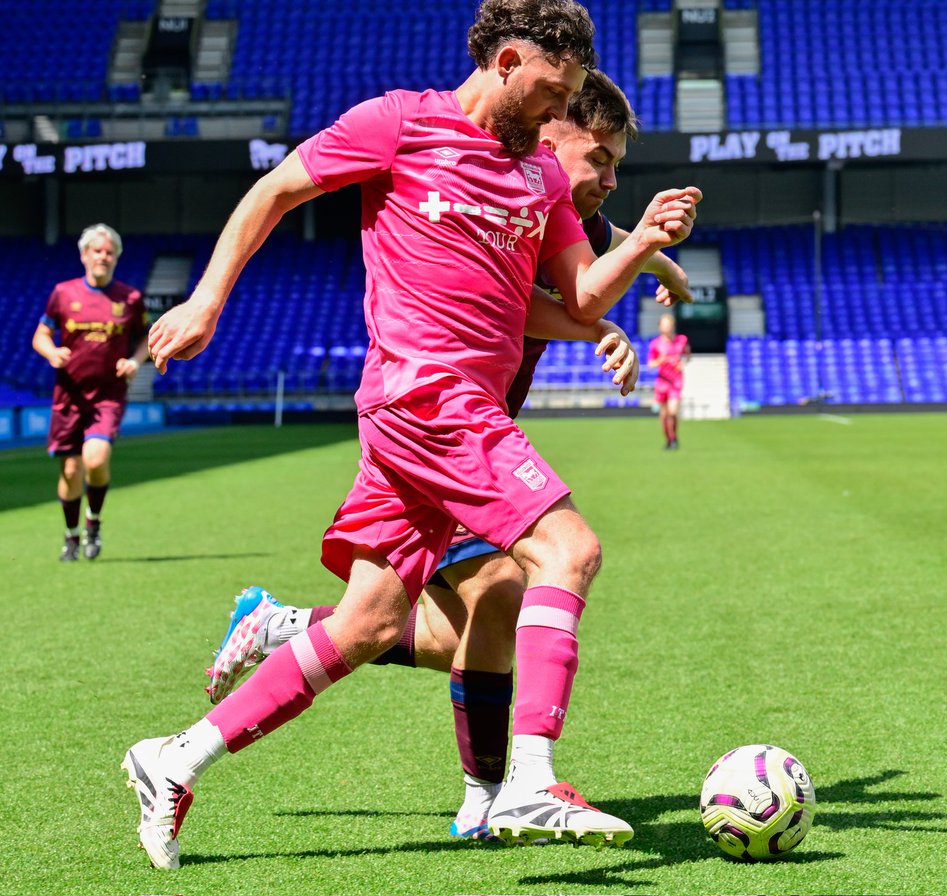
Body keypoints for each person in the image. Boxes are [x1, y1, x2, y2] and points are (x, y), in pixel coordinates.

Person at [123, 0, 700, 869]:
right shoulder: (398, 125)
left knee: (367, 624)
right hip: (427, 395)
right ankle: (527, 781)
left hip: (444, 415)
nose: (559, 112)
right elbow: (275, 190)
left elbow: (580, 296)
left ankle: (174, 759)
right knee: (567, 551)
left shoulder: (540, 179)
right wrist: (206, 299)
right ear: (507, 63)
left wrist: (647, 242)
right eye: (553, 92)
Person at [31, 223, 148, 562]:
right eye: (97, 251)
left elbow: (146, 338)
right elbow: (40, 335)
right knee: (70, 470)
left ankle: (93, 522)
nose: (103, 257)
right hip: (69, 396)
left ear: (117, 258)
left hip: (108, 395)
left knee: (95, 459)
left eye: (109, 252)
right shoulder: (63, 293)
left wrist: (135, 361)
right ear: (84, 255)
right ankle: (71, 536)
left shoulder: (130, 298)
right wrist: (52, 353)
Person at [648, 312, 690, 449]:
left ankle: (674, 437)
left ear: (673, 326)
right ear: (660, 327)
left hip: (676, 381)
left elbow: (687, 355)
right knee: (664, 415)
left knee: (673, 411)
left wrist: (683, 362)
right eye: (664, 325)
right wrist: (660, 360)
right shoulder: (656, 344)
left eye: (669, 325)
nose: (667, 327)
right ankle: (668, 438)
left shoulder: (682, 340)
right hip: (662, 382)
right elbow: (651, 363)